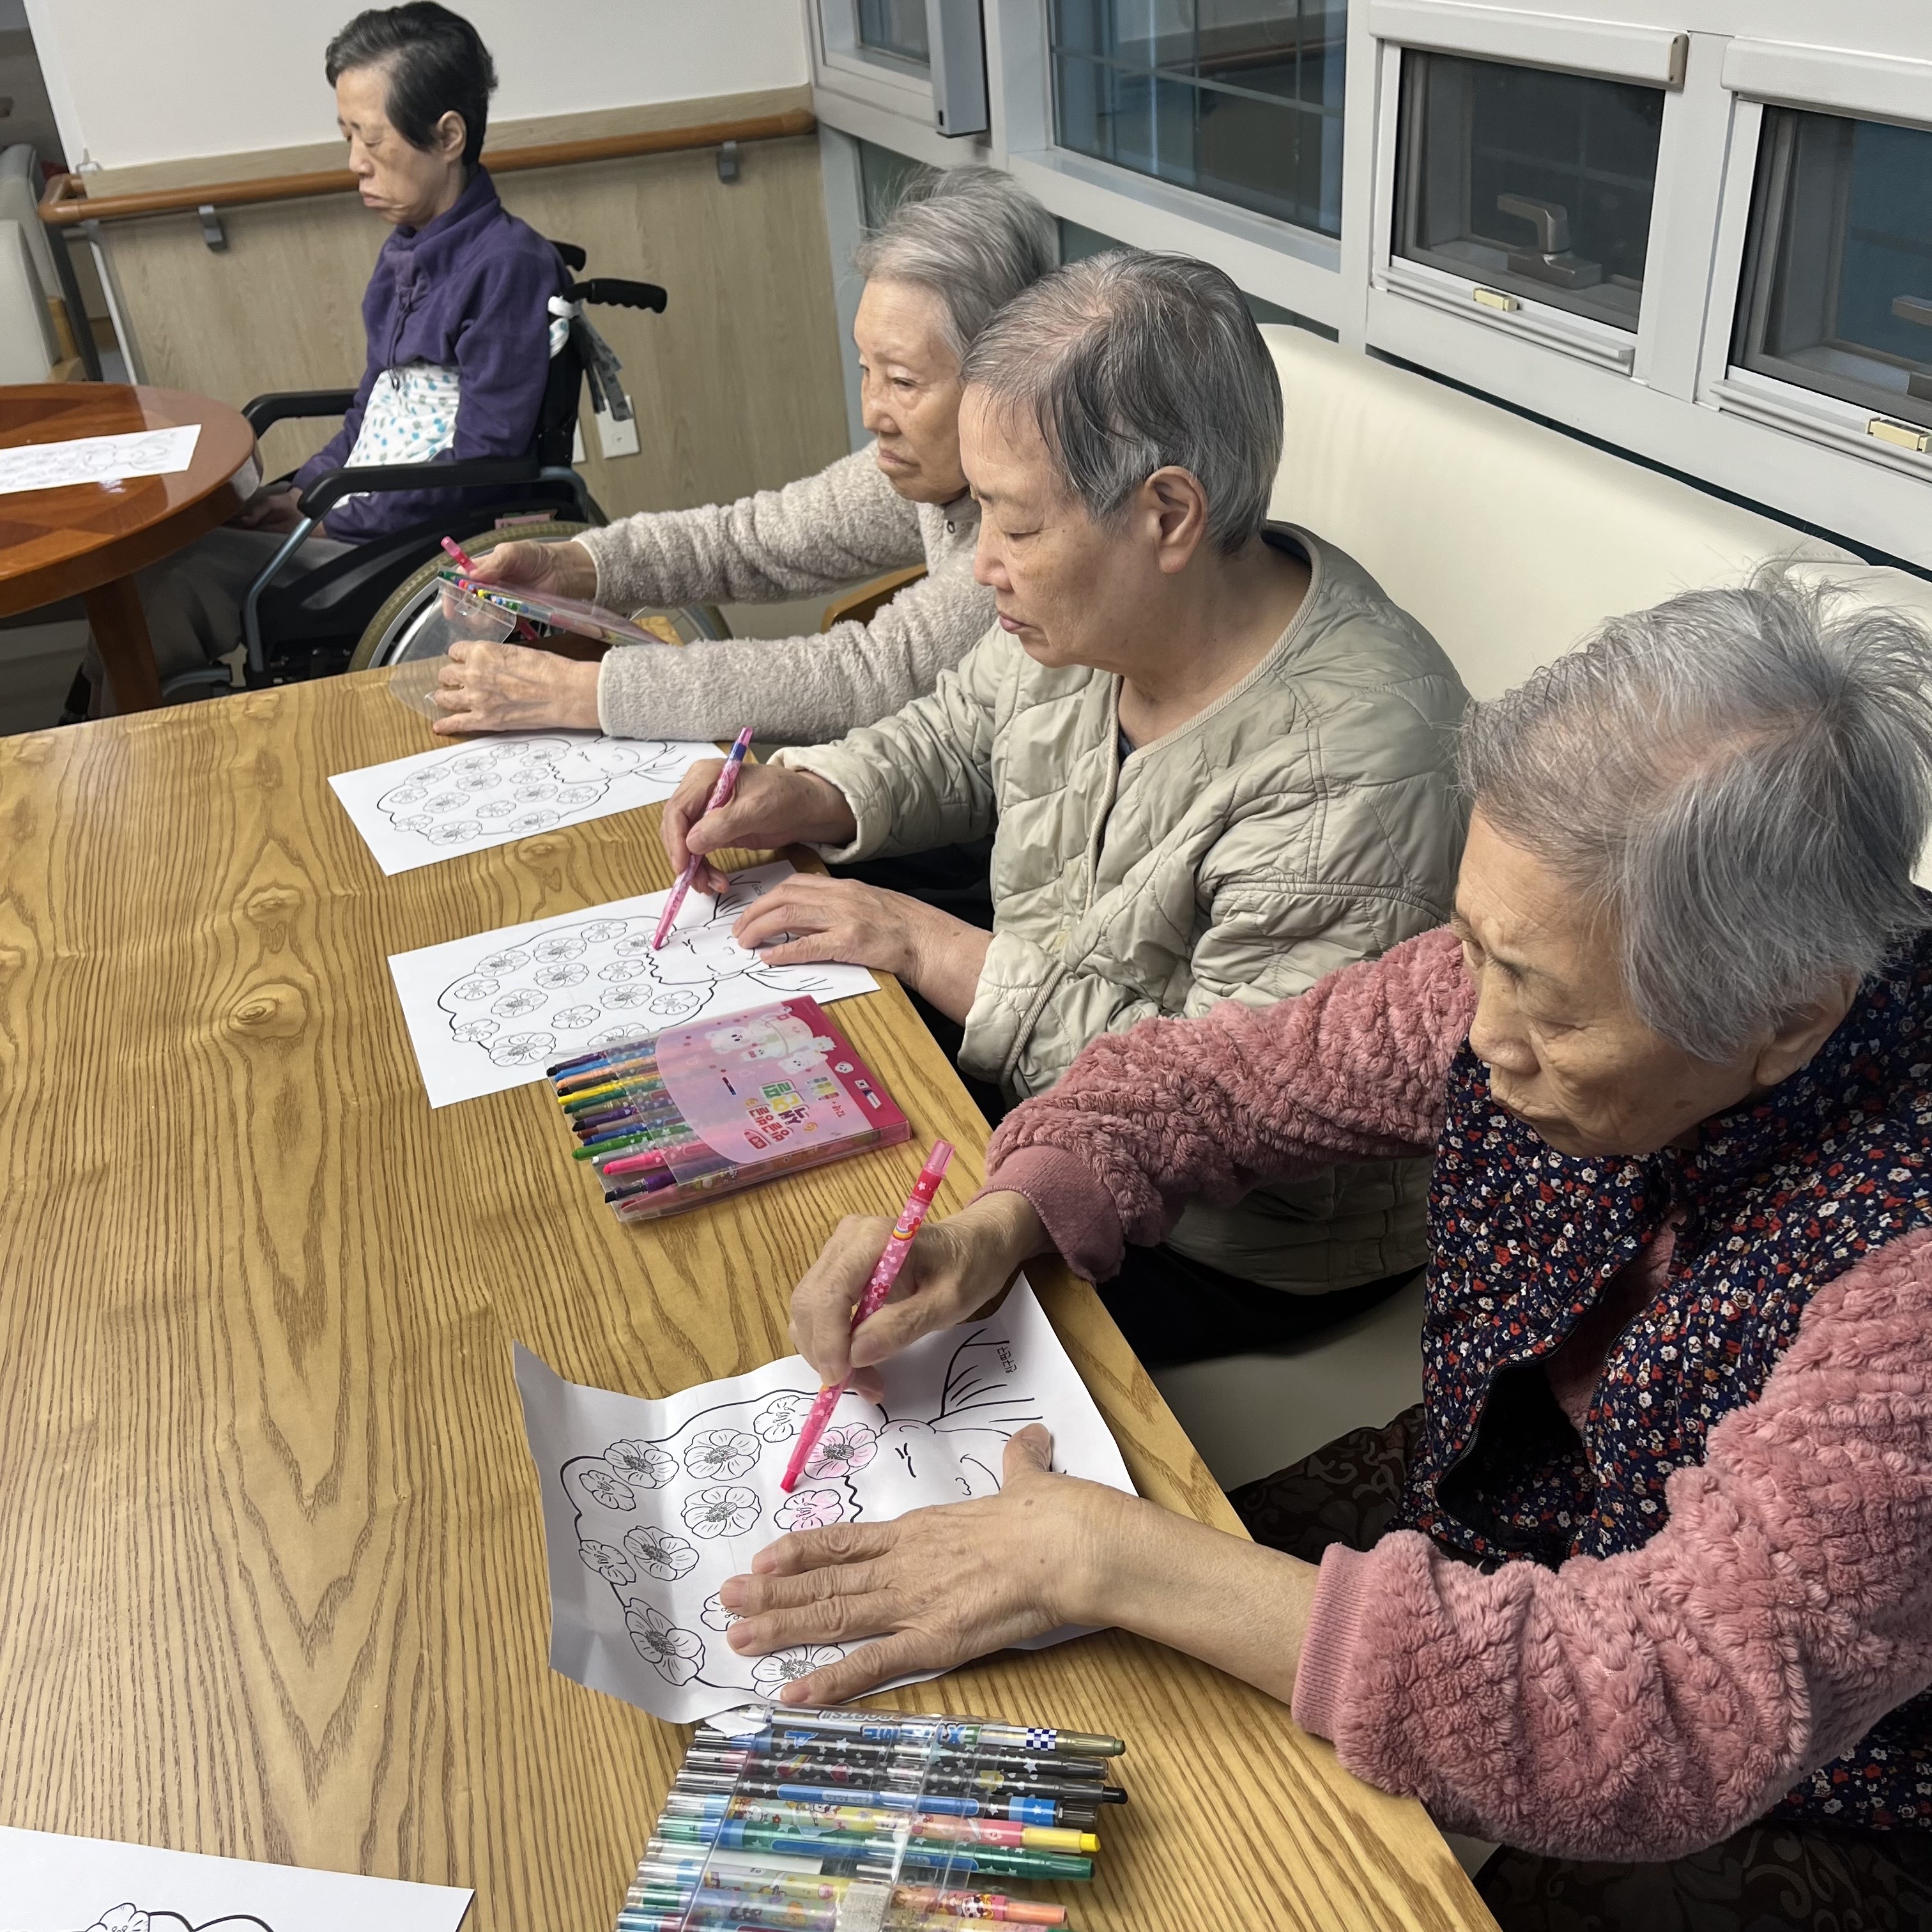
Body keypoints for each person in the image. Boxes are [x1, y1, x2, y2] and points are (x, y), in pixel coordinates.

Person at [723, 573, 1932, 1929]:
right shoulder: (1545, 953)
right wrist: (998, 1223)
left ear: (1786, 1018)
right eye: (1474, 949)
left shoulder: (1907, 1280)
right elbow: (1218, 1080)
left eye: (1545, 1006)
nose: (1479, 1035)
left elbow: (1659, 1714)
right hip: (1499, 1491)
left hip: (1820, 1768)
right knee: (1061, 1709)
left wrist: (1108, 1560)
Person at [659, 251, 1468, 1357]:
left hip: (1226, 1236)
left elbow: (1220, 1106)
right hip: (1031, 1081)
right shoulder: (1097, 615)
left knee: (823, 1324)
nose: (981, 564)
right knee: (742, 1161)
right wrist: (811, 789)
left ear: (1167, 514)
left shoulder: (1359, 761)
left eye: (1017, 525)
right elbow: (957, 732)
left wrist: (926, 945)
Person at [426, 167, 1058, 747]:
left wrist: (574, 692)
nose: (872, 413)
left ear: (1003, 379)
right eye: (867, 370)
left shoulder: (1038, 523)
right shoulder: (940, 469)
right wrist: (571, 567)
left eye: (903, 381)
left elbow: (870, 677)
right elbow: (751, 541)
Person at [73, 3, 565, 712]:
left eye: (371, 139)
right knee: (154, 563)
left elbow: (483, 460)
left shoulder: (509, 266)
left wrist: (332, 514)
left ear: (448, 136)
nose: (355, 163)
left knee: (166, 589)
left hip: (412, 541)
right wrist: (300, 491)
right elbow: (374, 416)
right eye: (347, 137)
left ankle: (114, 747)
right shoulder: (405, 254)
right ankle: (93, 727)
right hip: (361, 512)